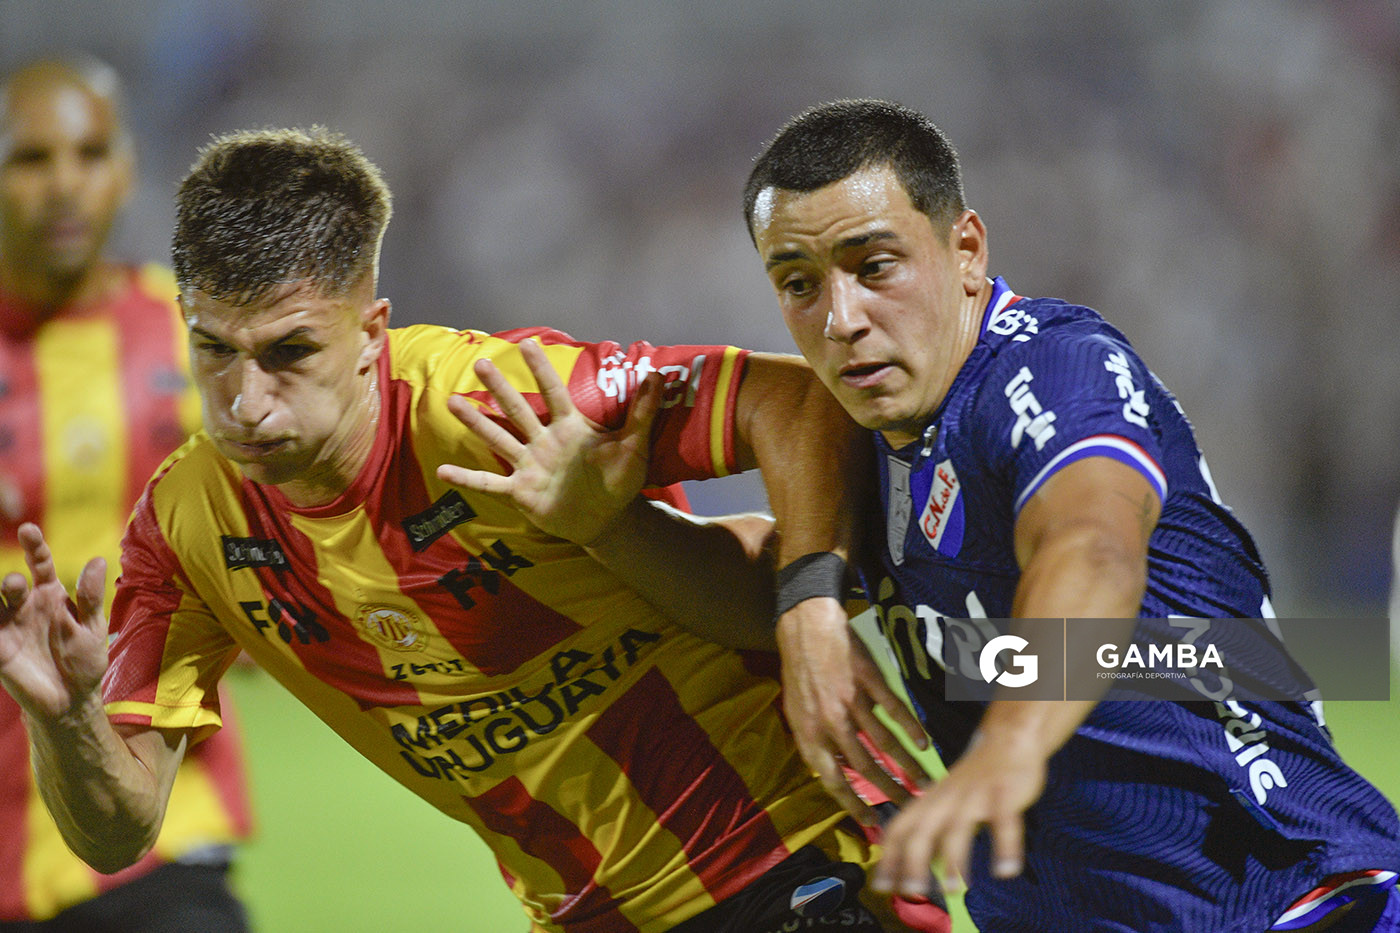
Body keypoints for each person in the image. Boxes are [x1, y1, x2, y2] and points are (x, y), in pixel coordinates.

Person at [0, 125, 948, 933]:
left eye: (290, 353)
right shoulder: (185, 528)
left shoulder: (486, 403)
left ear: (370, 332)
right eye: (213, 351)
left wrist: (808, 612)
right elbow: (115, 832)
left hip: (788, 863)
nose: (247, 402)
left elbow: (791, 402)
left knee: (1060, 661)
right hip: (586, 913)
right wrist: (68, 720)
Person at [743, 99, 1400, 932]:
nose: (841, 320)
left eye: (874, 266)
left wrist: (1014, 742)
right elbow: (753, 521)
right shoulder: (874, 437)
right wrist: (793, 597)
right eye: (799, 284)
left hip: (1286, 901)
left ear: (967, 250)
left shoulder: (1051, 370)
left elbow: (1091, 546)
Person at [0, 57, 252, 932]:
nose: (65, 184)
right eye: (30, 158)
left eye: (90, 151)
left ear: (128, 168)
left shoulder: (197, 347)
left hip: (157, 831)